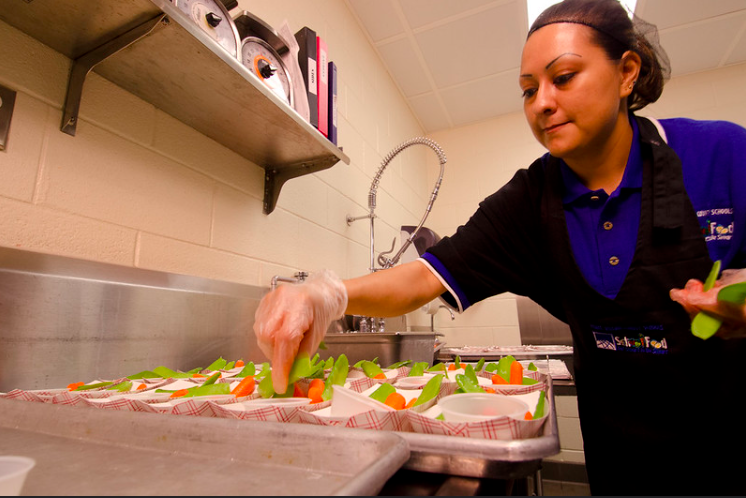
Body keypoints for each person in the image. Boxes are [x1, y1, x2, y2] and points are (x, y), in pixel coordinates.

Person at [253, 0, 746, 494]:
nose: (542, 103)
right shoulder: (528, 203)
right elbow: (425, 276)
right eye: (529, 90)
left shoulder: (721, 156)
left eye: (564, 77)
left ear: (626, 72)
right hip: (619, 458)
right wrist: (327, 292)